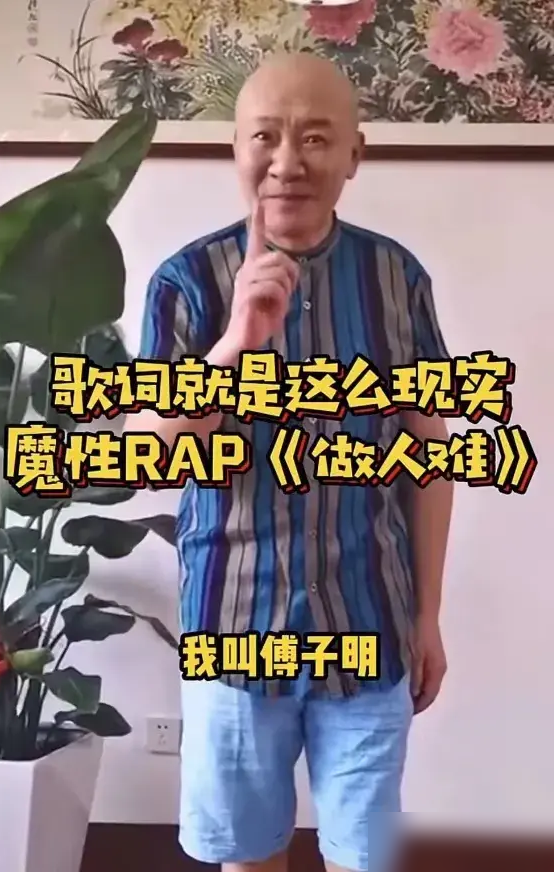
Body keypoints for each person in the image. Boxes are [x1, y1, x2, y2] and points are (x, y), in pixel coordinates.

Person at [130, 52, 453, 872]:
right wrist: (235, 342)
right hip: (234, 622)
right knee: (247, 855)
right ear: (235, 149)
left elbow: (430, 456)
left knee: (366, 855)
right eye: (265, 137)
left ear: (354, 154)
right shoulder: (186, 281)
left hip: (371, 619)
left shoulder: (396, 278)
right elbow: (158, 451)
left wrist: (428, 615)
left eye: (314, 137)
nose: (287, 162)